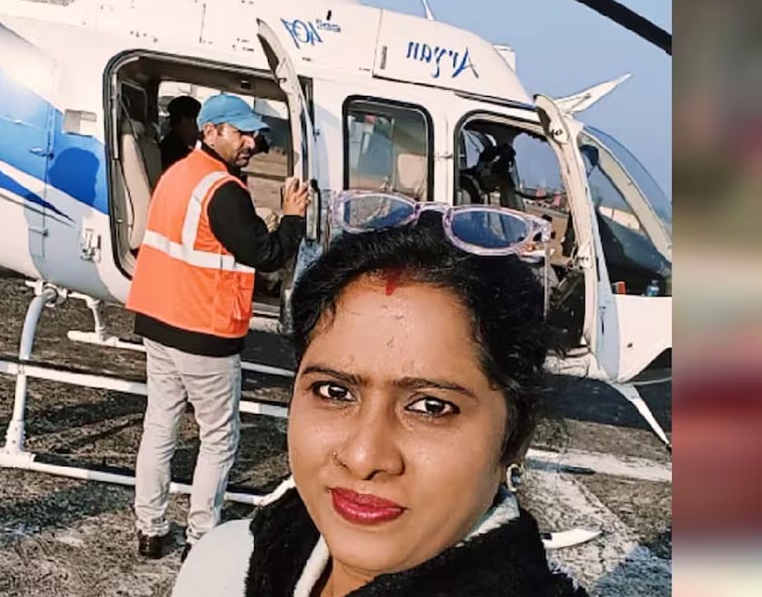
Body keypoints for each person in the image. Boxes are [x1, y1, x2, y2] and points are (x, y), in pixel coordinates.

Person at [172, 214, 587, 595]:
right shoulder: (225, 567)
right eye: (334, 392)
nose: (363, 457)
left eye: (430, 407)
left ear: (516, 436)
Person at [126, 93, 311, 561]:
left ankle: (150, 529)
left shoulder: (177, 174)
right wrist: (293, 216)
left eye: (254, 135)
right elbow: (266, 253)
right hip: (203, 330)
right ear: (211, 132)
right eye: (241, 133)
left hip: (158, 321)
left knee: (160, 424)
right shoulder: (223, 190)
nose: (250, 142)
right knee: (218, 437)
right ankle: (200, 535)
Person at [159, 95, 202, 172]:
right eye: (197, 122)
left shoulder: (171, 144)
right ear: (184, 121)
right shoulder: (175, 152)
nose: (200, 129)